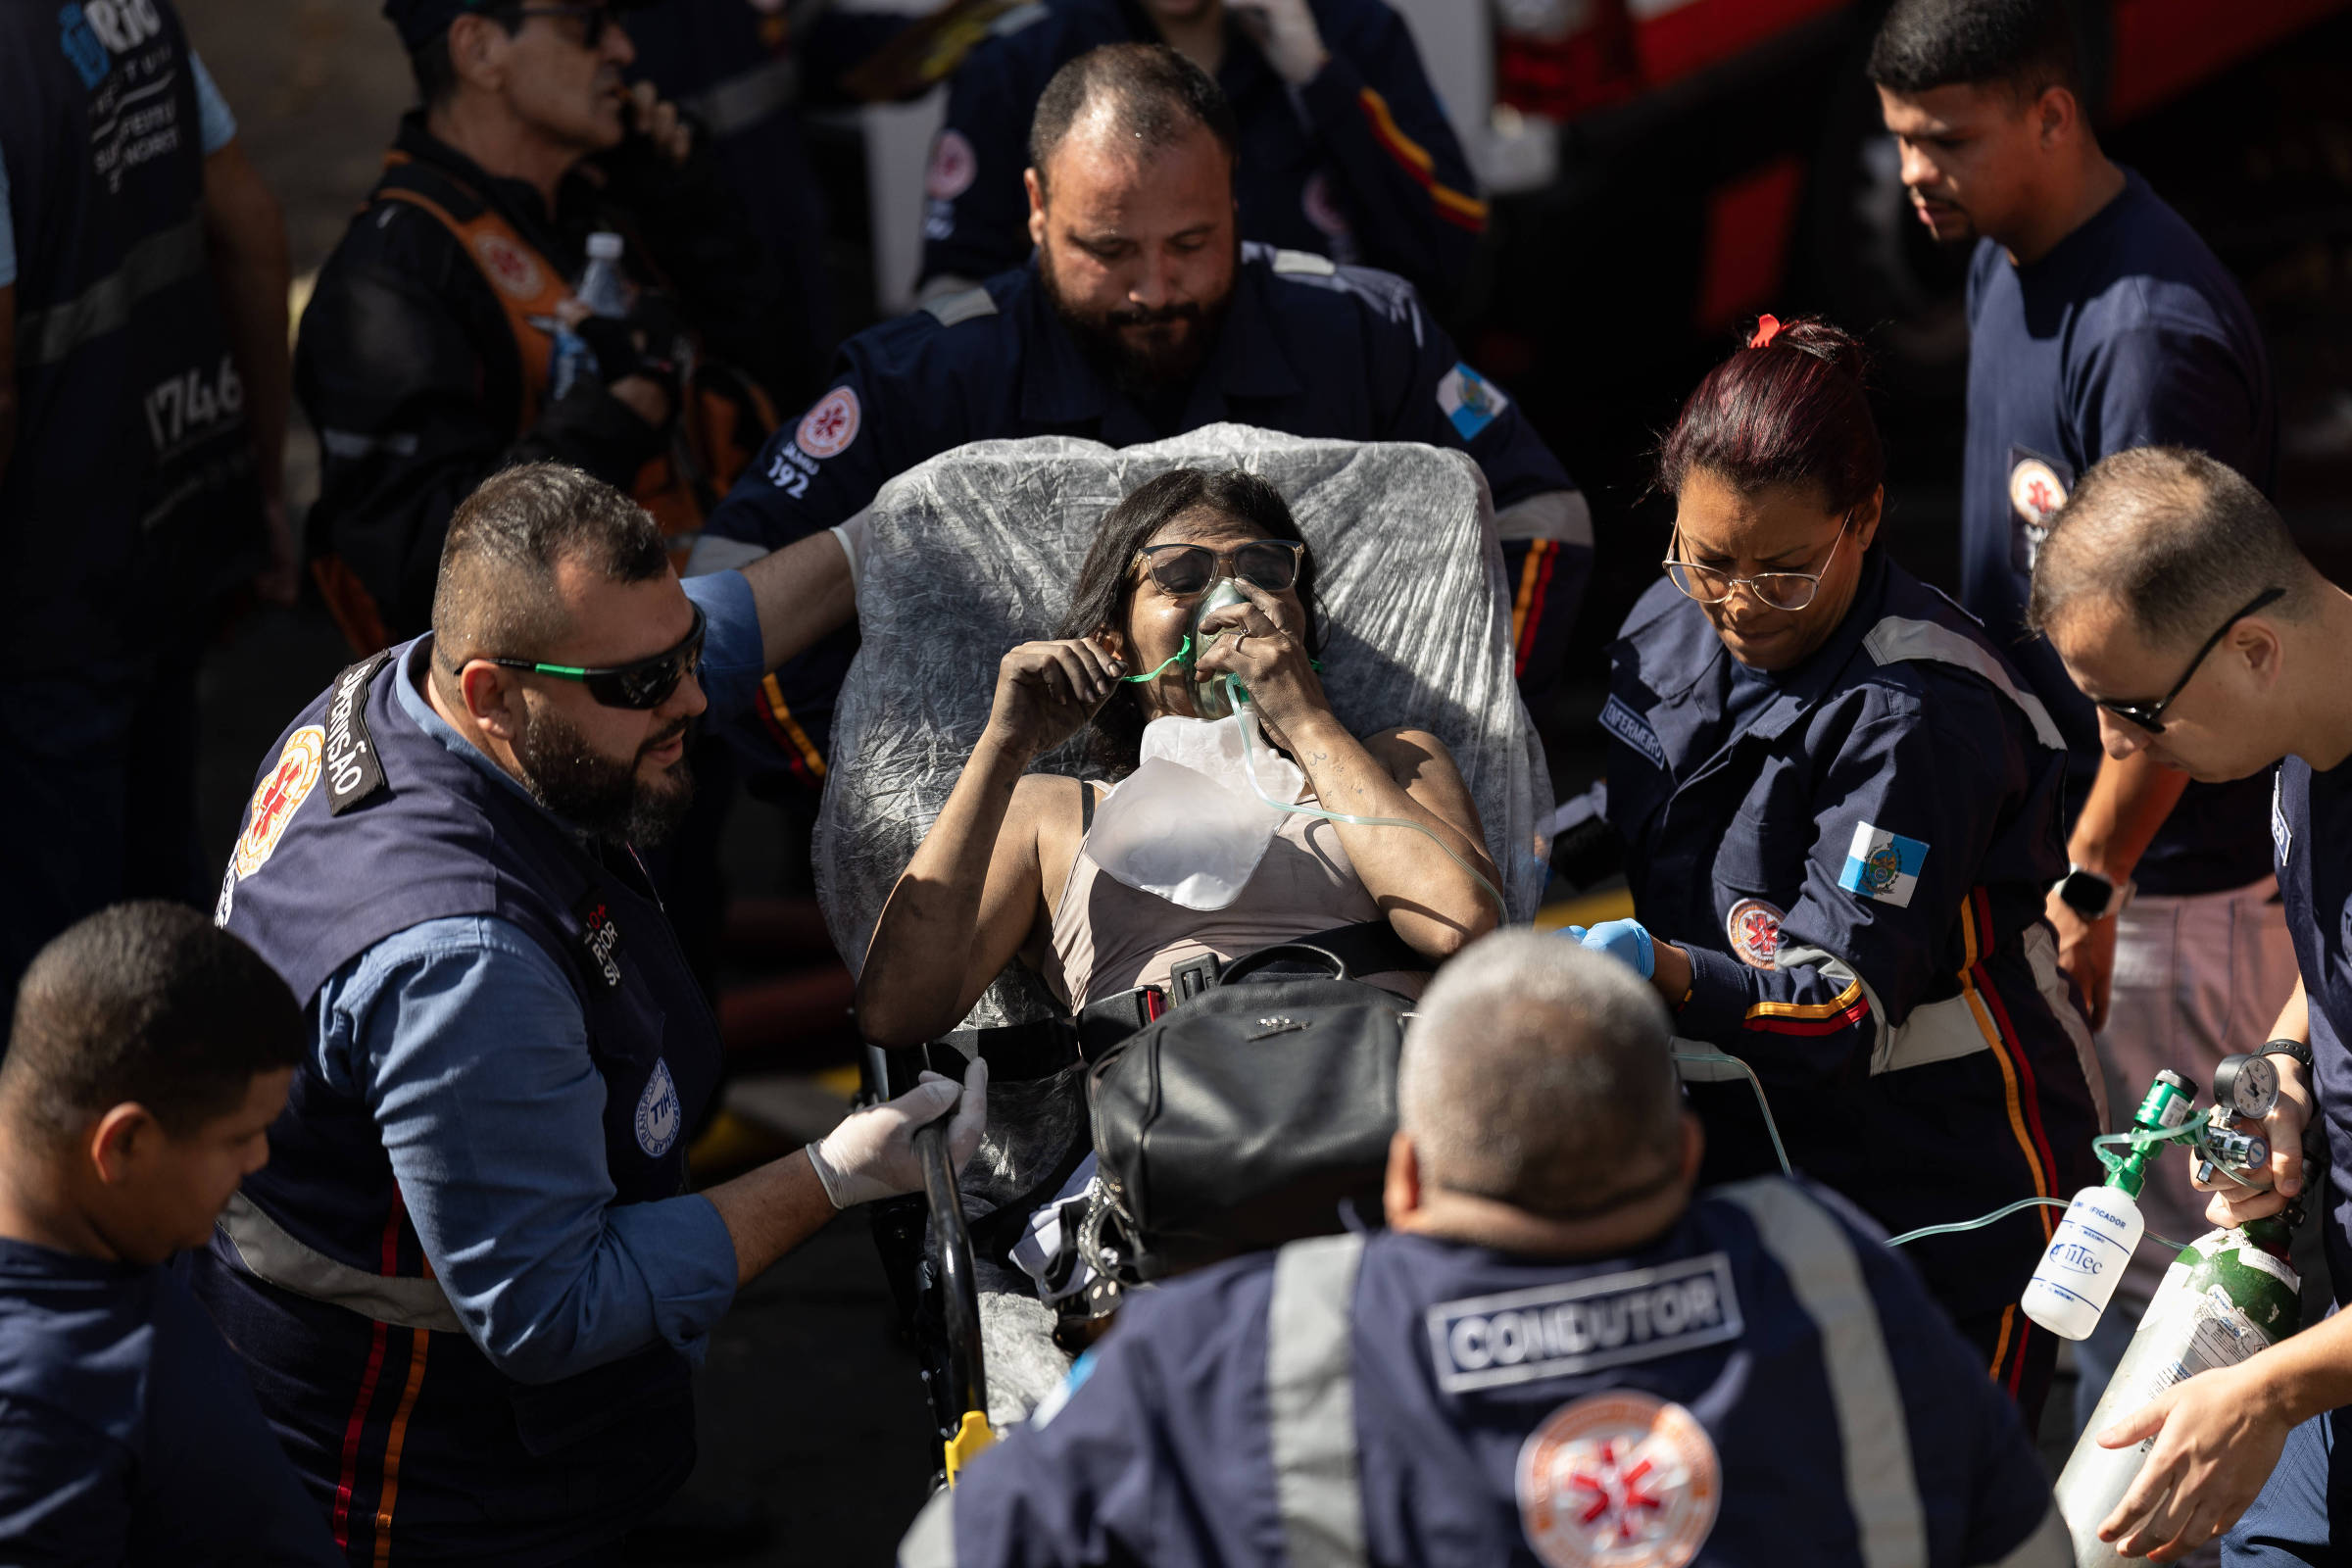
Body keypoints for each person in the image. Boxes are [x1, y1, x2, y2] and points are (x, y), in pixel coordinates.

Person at [186, 464, 987, 1564]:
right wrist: (838, 1173)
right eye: (645, 684)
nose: (694, 701)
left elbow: (698, 632)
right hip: (425, 1475)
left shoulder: (417, 690)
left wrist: (876, 536)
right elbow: (554, 1306)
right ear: (491, 694)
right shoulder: (463, 965)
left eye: (681, 658)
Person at [897, 928, 2072, 1568]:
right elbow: (2030, 1548)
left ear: (1403, 1175)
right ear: (1681, 1159)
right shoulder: (1839, 1277)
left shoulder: (1231, 1346)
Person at [696, 42, 1582, 790]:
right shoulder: (926, 381)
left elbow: (1542, 517)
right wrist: (891, 795)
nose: (1155, 290)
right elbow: (730, 596)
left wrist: (1453, 735)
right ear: (1037, 211)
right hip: (1027, 884)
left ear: (1236, 200)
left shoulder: (1360, 333)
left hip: (1339, 833)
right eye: (1108, 249)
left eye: (1192, 244)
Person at [1872, 0, 2296, 1424]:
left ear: (2053, 116)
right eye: (1901, 143)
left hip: (2170, 891)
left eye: (1946, 140)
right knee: (2115, 1254)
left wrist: (2092, 875)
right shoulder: (2010, 256)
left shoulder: (2151, 336)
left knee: (2208, 1267)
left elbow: (2168, 670)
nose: (1913, 175)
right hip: (2096, 877)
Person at [1571, 317, 2099, 1427]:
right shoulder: (1670, 616)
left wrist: (1663, 972)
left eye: (1785, 571)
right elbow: (1644, 806)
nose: (1739, 604)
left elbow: (1835, 1005)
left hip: (1944, 1174)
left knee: (1933, 1500)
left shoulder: (1918, 715)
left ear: (1864, 519)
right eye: (1708, 559)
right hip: (1744, 1158)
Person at [858, 466, 1499, 1049]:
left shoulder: (1397, 762)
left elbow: (1461, 925)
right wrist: (1004, 747)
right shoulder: (1052, 815)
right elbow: (896, 1014)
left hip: (1379, 1097)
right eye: (1183, 578)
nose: (1231, 600)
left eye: (1264, 572)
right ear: (1115, 640)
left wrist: (1304, 719)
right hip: (1173, 1134)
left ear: (1299, 616)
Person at [2020, 448, 2352, 1565]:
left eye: (2137, 708)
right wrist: (2285, 1066)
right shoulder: (2310, 734)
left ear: (2254, 649)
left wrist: (2267, 1392)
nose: (2119, 747)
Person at [297, 0, 800, 651]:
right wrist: (610, 422)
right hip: (556, 718)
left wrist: (689, 215)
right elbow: (422, 568)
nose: (621, 49)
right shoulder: (392, 277)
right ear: (480, 51)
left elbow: (783, 395)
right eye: (586, 25)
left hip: (709, 657)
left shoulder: (604, 204)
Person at [0, 0, 292, 1014]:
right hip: (173, 511)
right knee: (165, 904)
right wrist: (259, 484)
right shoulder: (126, 16)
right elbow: (252, 230)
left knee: (59, 989)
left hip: (47, 588)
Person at [0, 902, 335, 1564]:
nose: (259, 1160)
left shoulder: (105, 1231)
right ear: (123, 1145)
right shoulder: (43, 1416)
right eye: (239, 1138)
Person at [918, 0, 1484, 308]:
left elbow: (1452, 254)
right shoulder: (1023, 56)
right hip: (1105, 414)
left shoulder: (1352, 31)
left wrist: (1321, 83)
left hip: (1331, 403)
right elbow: (955, 290)